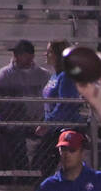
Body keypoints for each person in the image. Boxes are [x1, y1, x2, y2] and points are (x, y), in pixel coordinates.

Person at [0, 39, 50, 170]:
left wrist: (42, 120)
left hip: (39, 120)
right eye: (17, 53)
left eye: (21, 53)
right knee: (13, 132)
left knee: (50, 135)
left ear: (31, 55)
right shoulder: (5, 74)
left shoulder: (43, 75)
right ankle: (23, 173)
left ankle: (39, 171)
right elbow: (2, 105)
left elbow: (48, 102)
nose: (17, 56)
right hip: (14, 120)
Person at [33, 40, 85, 175]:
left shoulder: (67, 76)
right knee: (40, 159)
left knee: (45, 158)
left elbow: (65, 103)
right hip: (53, 124)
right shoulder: (54, 75)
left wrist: (47, 123)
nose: (46, 54)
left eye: (49, 52)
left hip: (64, 126)